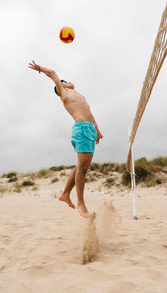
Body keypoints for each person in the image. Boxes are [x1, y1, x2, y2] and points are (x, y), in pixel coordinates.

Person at [28, 61, 103, 218]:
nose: (69, 82)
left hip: (89, 129)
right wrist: (40, 69)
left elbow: (89, 113)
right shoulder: (64, 92)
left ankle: (65, 194)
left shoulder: (79, 96)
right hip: (81, 128)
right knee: (82, 166)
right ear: (61, 86)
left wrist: (97, 130)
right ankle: (81, 203)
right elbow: (54, 73)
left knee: (83, 165)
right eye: (66, 81)